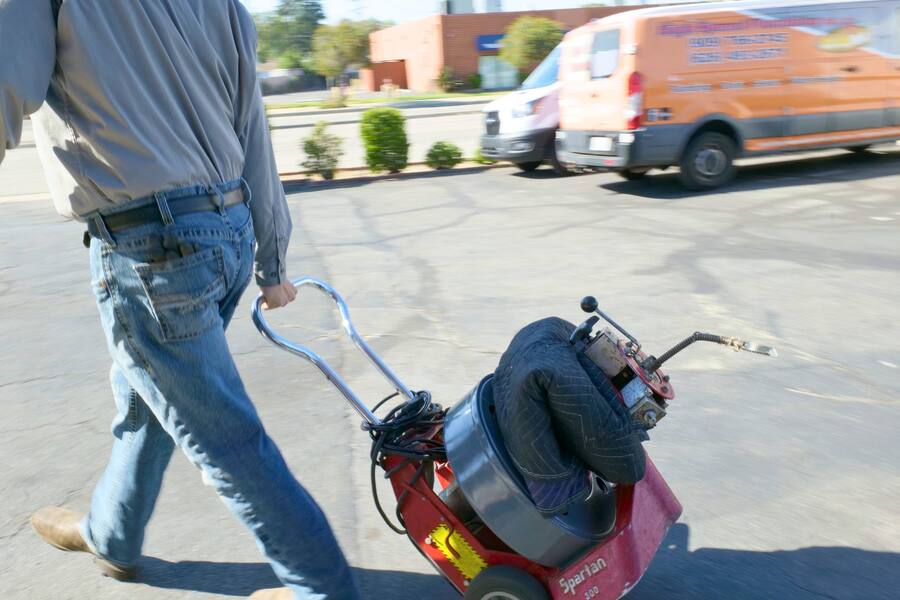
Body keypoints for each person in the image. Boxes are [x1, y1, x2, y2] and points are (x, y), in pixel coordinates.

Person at [0, 1, 359, 598]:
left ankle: (324, 588)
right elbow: (253, 133)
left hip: (153, 252)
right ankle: (112, 536)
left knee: (225, 438)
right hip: (229, 234)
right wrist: (272, 260)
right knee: (148, 400)